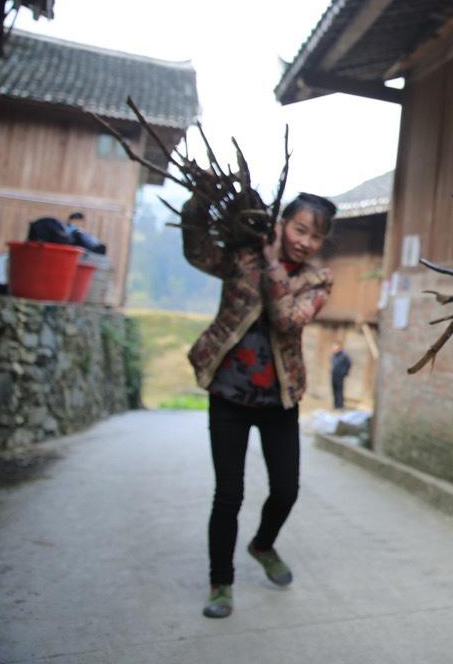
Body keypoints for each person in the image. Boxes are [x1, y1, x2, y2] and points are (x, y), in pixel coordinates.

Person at [182, 193, 336, 620]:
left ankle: (263, 545)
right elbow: (198, 252)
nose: (305, 242)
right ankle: (220, 584)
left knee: (286, 490)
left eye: (315, 237)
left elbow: (286, 319)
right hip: (229, 395)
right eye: (299, 229)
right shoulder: (241, 258)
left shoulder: (317, 281)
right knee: (228, 495)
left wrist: (272, 264)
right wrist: (198, 203)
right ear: (281, 224)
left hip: (279, 401)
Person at [330, 342, 352, 410]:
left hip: (340, 375)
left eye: (335, 348)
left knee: (339, 391)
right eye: (333, 348)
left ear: (339, 348)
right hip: (334, 374)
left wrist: (344, 372)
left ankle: (340, 406)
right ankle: (336, 405)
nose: (334, 349)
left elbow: (349, 363)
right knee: (334, 390)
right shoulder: (334, 355)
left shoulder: (344, 355)